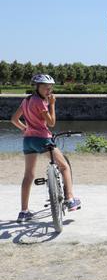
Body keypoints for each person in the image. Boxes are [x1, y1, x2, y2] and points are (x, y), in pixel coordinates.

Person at [10, 74, 81, 223]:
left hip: (28, 141)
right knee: (64, 166)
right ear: (37, 87)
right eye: (45, 87)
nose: (49, 90)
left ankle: (24, 212)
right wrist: (52, 104)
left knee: (28, 175)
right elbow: (51, 123)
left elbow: (14, 119)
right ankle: (70, 199)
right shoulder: (40, 102)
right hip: (42, 139)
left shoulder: (27, 100)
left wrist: (25, 129)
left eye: (51, 87)